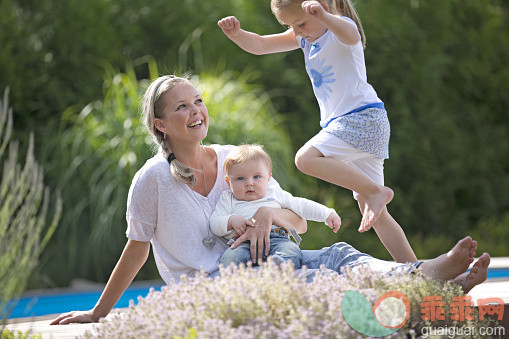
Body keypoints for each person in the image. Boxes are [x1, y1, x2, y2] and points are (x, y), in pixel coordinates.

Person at [51, 75, 490, 325]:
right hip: (219, 287)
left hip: (269, 261)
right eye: (181, 107)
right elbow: (136, 249)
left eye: (198, 101)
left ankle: (423, 274)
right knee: (323, 282)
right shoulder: (151, 182)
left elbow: (296, 223)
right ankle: (431, 285)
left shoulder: (236, 160)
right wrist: (97, 313)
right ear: (160, 124)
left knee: (338, 253)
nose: (196, 110)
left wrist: (265, 214)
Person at [217, 0, 417, 263]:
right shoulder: (305, 39)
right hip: (359, 127)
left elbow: (352, 35)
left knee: (305, 159)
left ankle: (376, 192)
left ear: (321, 6)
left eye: (300, 23)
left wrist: (323, 14)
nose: (297, 31)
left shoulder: (339, 28)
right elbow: (261, 45)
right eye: (290, 26)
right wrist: (236, 34)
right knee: (376, 214)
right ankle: (419, 272)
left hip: (360, 119)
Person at [210, 144, 341, 268]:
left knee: (291, 250)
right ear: (229, 181)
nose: (249, 183)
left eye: (257, 177)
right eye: (240, 179)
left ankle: (278, 269)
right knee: (229, 258)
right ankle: (234, 283)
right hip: (243, 243)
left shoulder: (275, 193)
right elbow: (214, 222)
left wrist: (326, 214)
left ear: (268, 178)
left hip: (277, 239)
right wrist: (230, 220)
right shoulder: (228, 198)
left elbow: (301, 205)